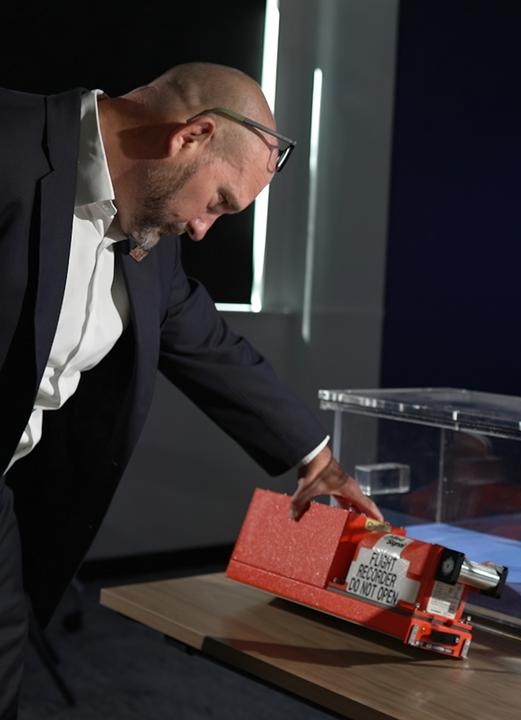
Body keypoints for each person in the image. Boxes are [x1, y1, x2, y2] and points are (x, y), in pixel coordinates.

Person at [0, 62, 382, 717]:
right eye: (219, 203)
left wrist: (316, 460)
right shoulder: (12, 137)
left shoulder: (152, 234)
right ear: (192, 136)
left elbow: (208, 345)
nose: (206, 229)